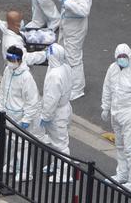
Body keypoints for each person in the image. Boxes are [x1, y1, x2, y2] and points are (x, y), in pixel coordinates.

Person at [0, 11, 46, 140]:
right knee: (29, 101)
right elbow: (26, 58)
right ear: (16, 24)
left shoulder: (9, 32)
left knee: (7, 101)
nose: (22, 23)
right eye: (20, 21)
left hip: (12, 73)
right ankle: (38, 135)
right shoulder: (13, 43)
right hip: (17, 74)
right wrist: (44, 55)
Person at [101, 43, 131, 193]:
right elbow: (107, 89)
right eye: (119, 57)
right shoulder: (112, 69)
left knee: (130, 149)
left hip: (130, 113)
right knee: (120, 145)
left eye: (124, 57)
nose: (122, 59)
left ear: (129, 56)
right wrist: (105, 107)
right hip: (116, 113)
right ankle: (122, 174)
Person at [0, 47, 42, 179]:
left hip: (21, 117)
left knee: (22, 145)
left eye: (12, 60)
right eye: (8, 59)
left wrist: (26, 119)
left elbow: (32, 101)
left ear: (19, 60)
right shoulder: (8, 71)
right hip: (9, 115)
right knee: (9, 143)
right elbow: (3, 90)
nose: (9, 62)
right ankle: (12, 165)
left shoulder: (26, 77)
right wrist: (1, 107)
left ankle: (26, 172)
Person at [55, 0, 93, 100]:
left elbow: (84, 11)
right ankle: (68, 82)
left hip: (76, 29)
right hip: (66, 25)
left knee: (74, 58)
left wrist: (67, 3)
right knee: (64, 54)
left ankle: (77, 88)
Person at [40, 44, 73, 183]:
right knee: (56, 141)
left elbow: (51, 99)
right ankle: (57, 164)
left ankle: (64, 174)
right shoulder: (63, 67)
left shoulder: (55, 75)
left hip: (57, 113)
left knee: (60, 144)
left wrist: (45, 116)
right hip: (64, 108)